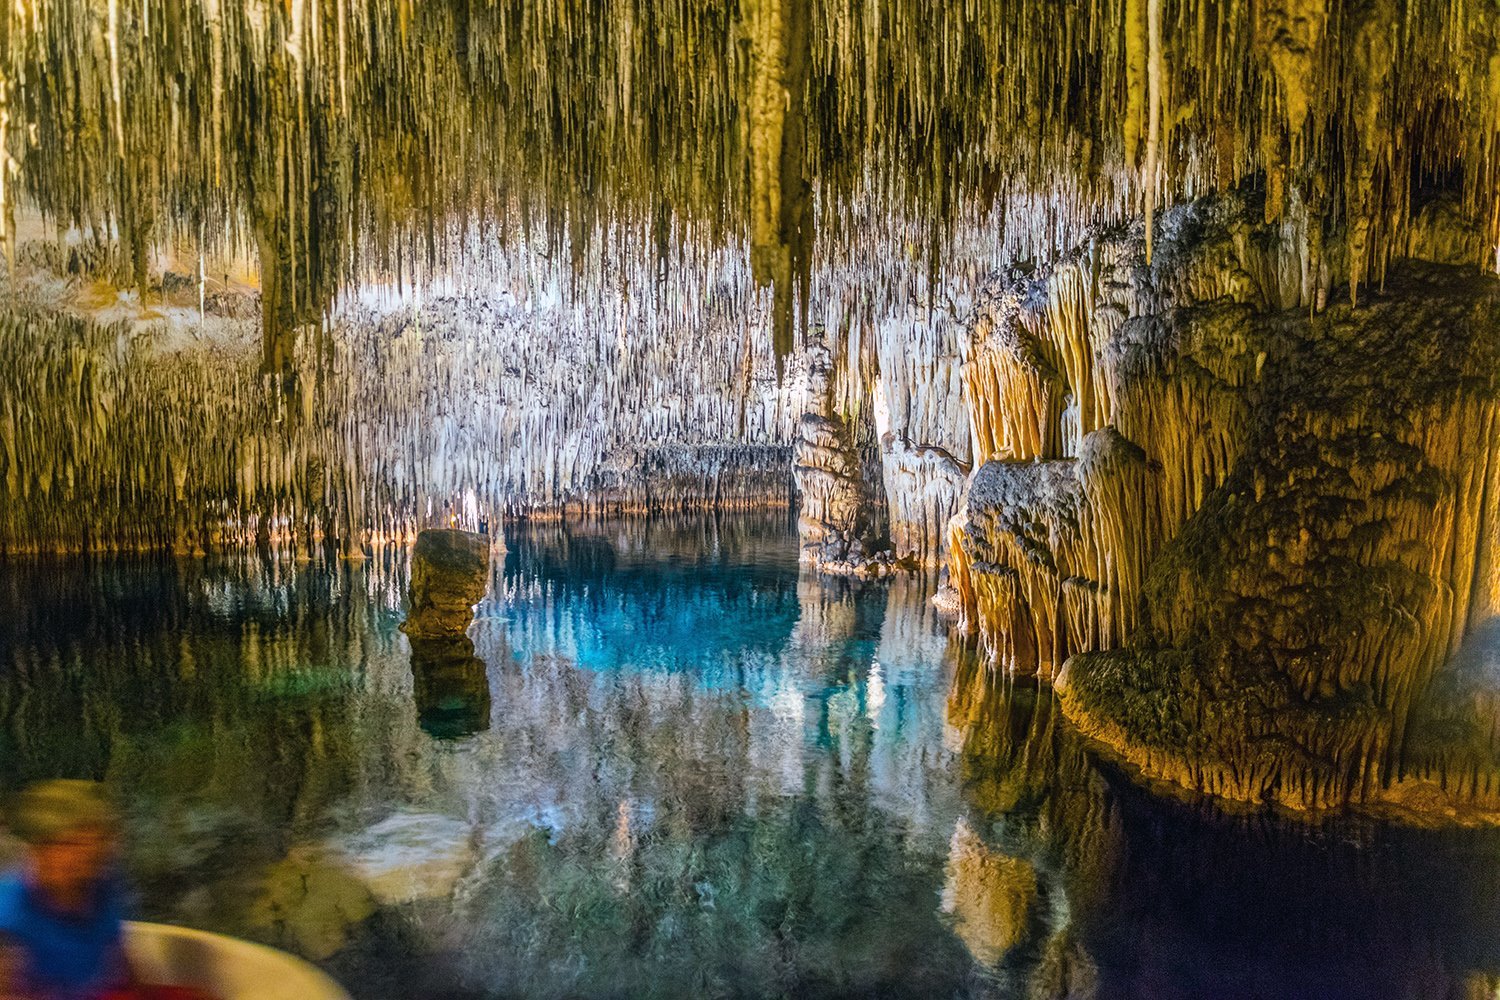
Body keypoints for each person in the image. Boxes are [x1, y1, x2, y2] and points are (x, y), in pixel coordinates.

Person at [0, 781, 210, 1000]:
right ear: (44, 847)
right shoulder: (9, 913)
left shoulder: (103, 885)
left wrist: (143, 993)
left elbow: (118, 956)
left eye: (100, 840)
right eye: (77, 843)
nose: (95, 852)